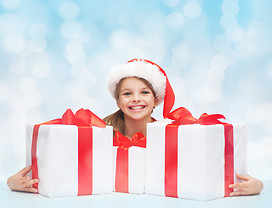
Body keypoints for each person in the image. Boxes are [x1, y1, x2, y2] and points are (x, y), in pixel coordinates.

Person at [7, 58, 263, 196]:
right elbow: (56, 167)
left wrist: (257, 187)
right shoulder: (97, 135)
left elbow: (211, 168)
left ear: (156, 100)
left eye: (144, 92)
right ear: (118, 101)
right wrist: (12, 183)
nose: (136, 99)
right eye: (127, 94)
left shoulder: (176, 137)